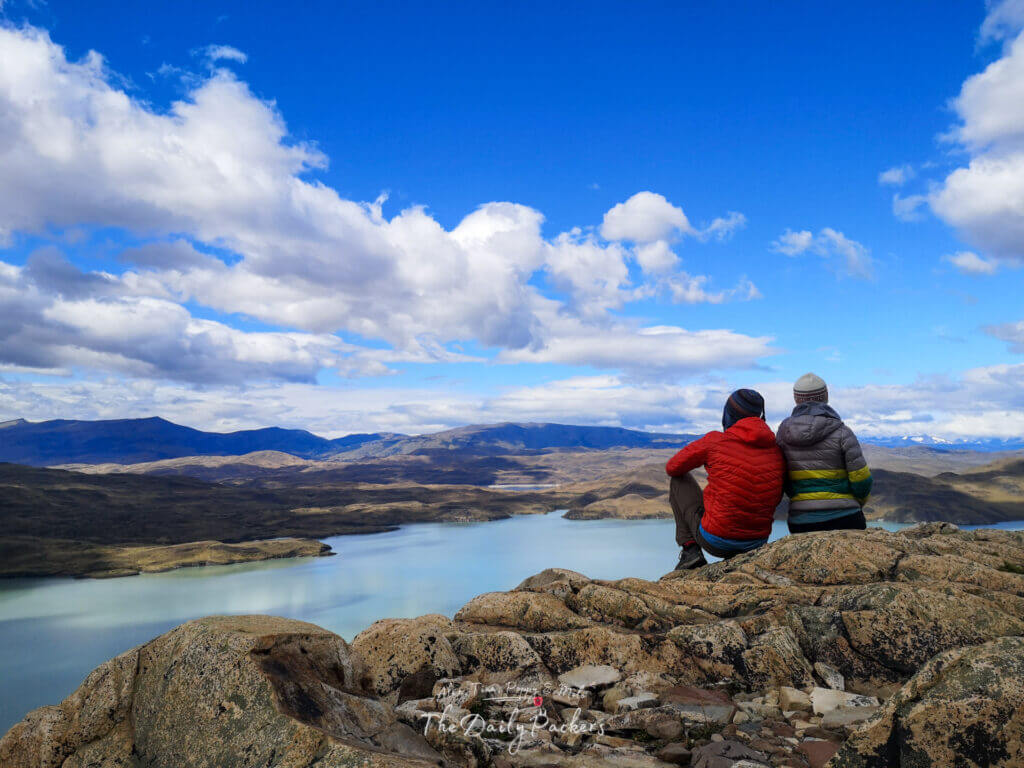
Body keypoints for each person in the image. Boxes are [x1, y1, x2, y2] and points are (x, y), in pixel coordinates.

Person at [666, 389, 786, 570]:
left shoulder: (715, 441)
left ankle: (690, 551)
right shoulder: (776, 449)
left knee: (678, 480)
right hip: (757, 541)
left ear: (729, 414)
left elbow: (673, 467)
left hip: (716, 540)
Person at [776, 373, 872, 533]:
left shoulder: (783, 434)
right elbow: (862, 479)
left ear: (796, 399)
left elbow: (780, 477)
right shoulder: (843, 432)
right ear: (825, 396)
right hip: (846, 518)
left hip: (801, 521)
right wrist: (854, 503)